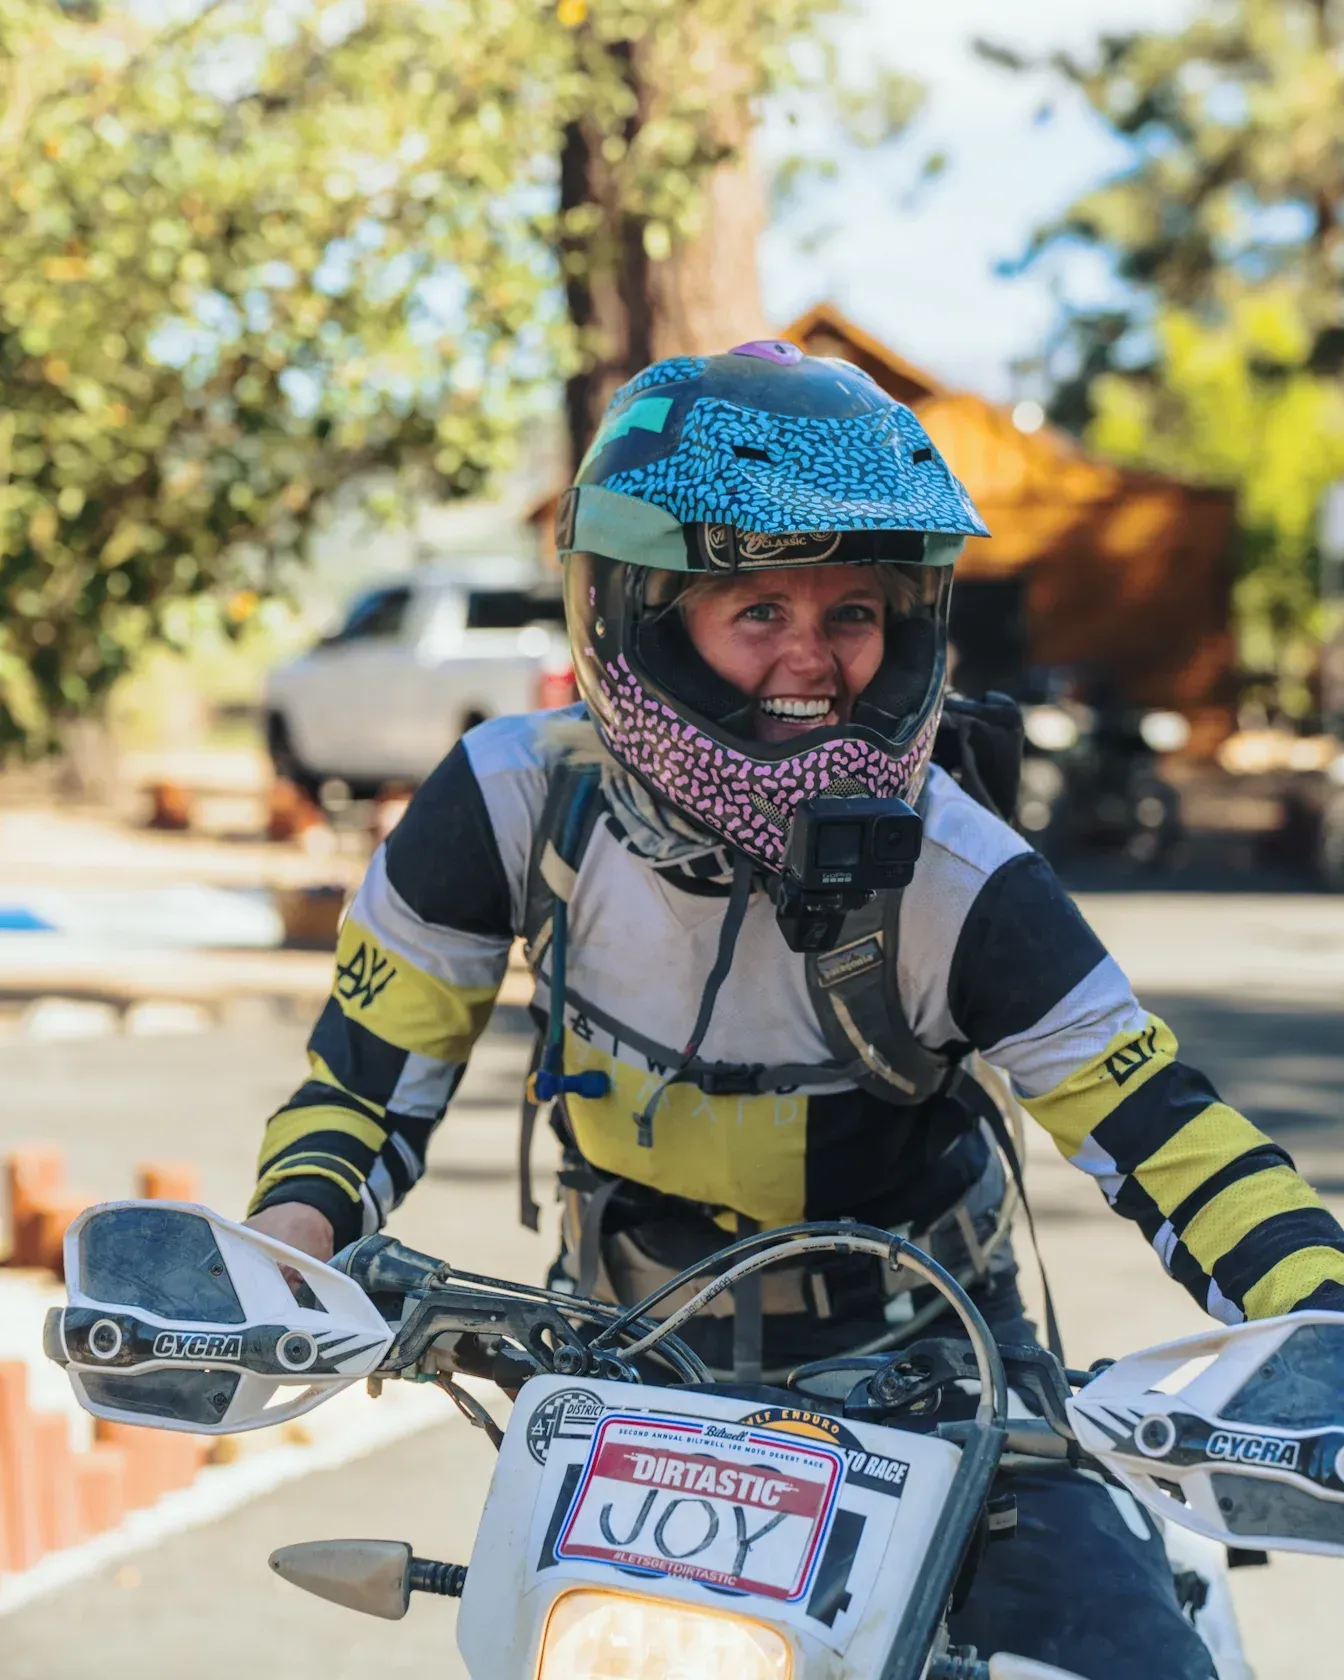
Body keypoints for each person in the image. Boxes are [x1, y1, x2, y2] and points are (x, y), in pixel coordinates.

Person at [246, 342, 1344, 1678]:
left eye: (856, 614)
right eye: (758, 609)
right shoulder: (512, 802)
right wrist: (275, 1269)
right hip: (624, 1384)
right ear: (645, 617)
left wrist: (1321, 1326)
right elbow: (362, 1089)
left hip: (943, 1381)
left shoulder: (957, 870)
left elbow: (1174, 1140)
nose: (813, 662)